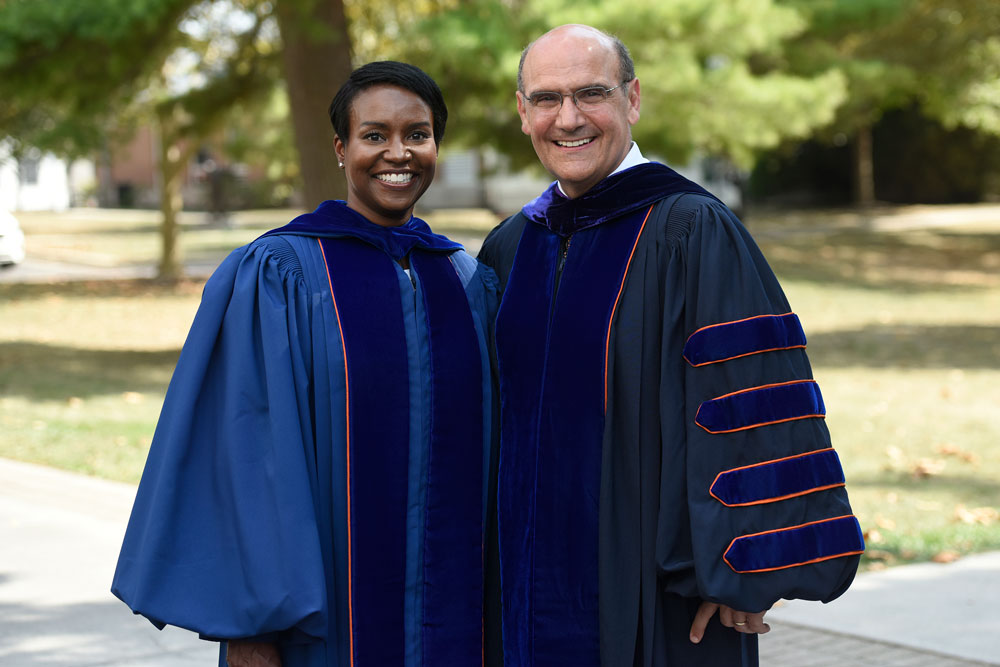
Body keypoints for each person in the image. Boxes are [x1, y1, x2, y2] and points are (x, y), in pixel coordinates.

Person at [477, 25, 864, 666]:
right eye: (547, 99)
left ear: (632, 99)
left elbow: (748, 401)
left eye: (590, 94)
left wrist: (746, 566)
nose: (568, 118)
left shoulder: (692, 229)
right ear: (523, 113)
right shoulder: (513, 246)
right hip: (525, 586)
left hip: (664, 593)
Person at [113, 61, 499, 667]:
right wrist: (252, 632)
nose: (397, 152)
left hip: (454, 622)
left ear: (436, 147)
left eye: (416, 135)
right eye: (374, 135)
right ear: (342, 149)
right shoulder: (279, 274)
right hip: (326, 631)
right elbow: (247, 458)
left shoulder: (465, 279)